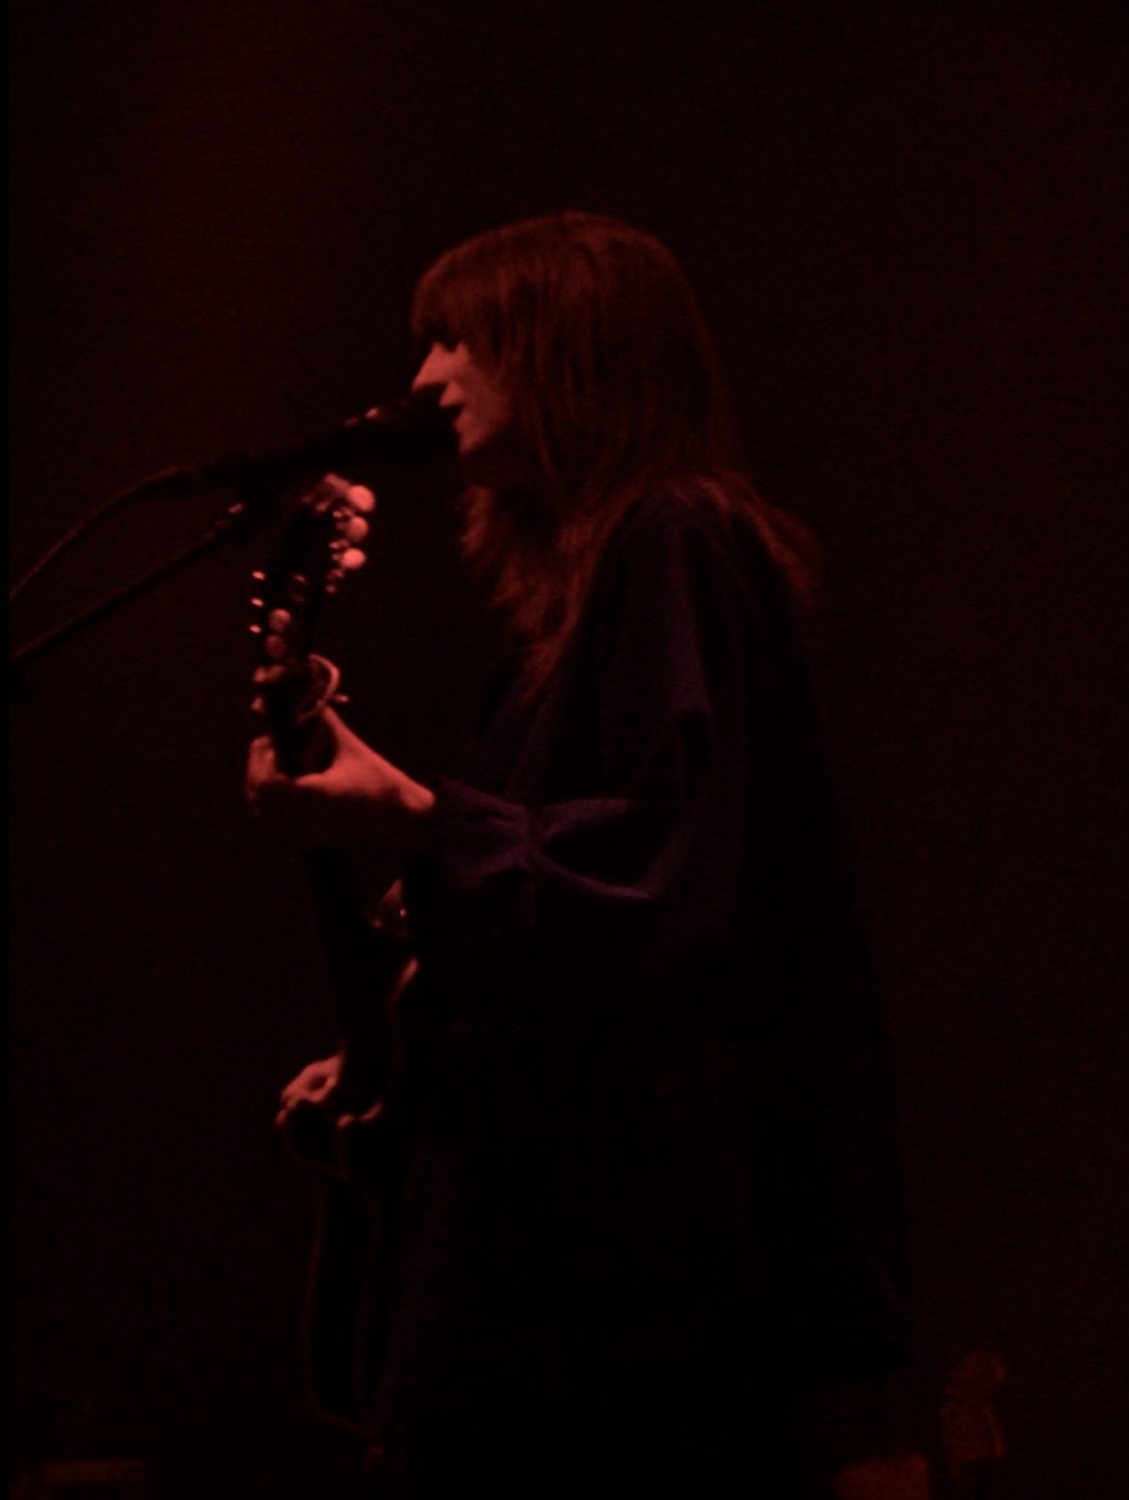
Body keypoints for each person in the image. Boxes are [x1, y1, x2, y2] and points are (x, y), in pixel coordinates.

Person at [247, 211, 929, 1498]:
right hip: (572, 1279)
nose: (424, 377)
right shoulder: (563, 622)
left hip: (625, 1298)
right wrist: (397, 1056)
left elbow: (679, 872)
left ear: (562, 345)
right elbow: (565, 938)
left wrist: (416, 816)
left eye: (457, 338)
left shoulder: (677, 536)